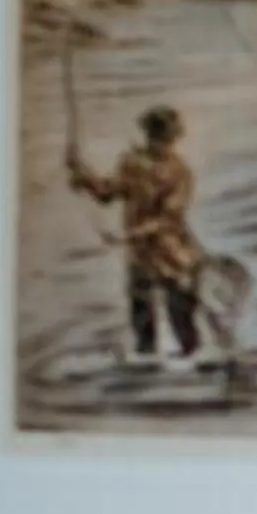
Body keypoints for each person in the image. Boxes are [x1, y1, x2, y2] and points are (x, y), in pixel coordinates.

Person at [68, 105, 207, 364]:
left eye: (164, 138)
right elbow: (107, 193)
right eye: (157, 137)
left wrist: (129, 235)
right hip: (141, 256)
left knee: (181, 316)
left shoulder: (180, 172)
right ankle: (148, 363)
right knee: (142, 320)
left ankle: (191, 360)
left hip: (172, 255)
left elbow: (168, 218)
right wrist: (83, 175)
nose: (161, 143)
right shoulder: (131, 163)